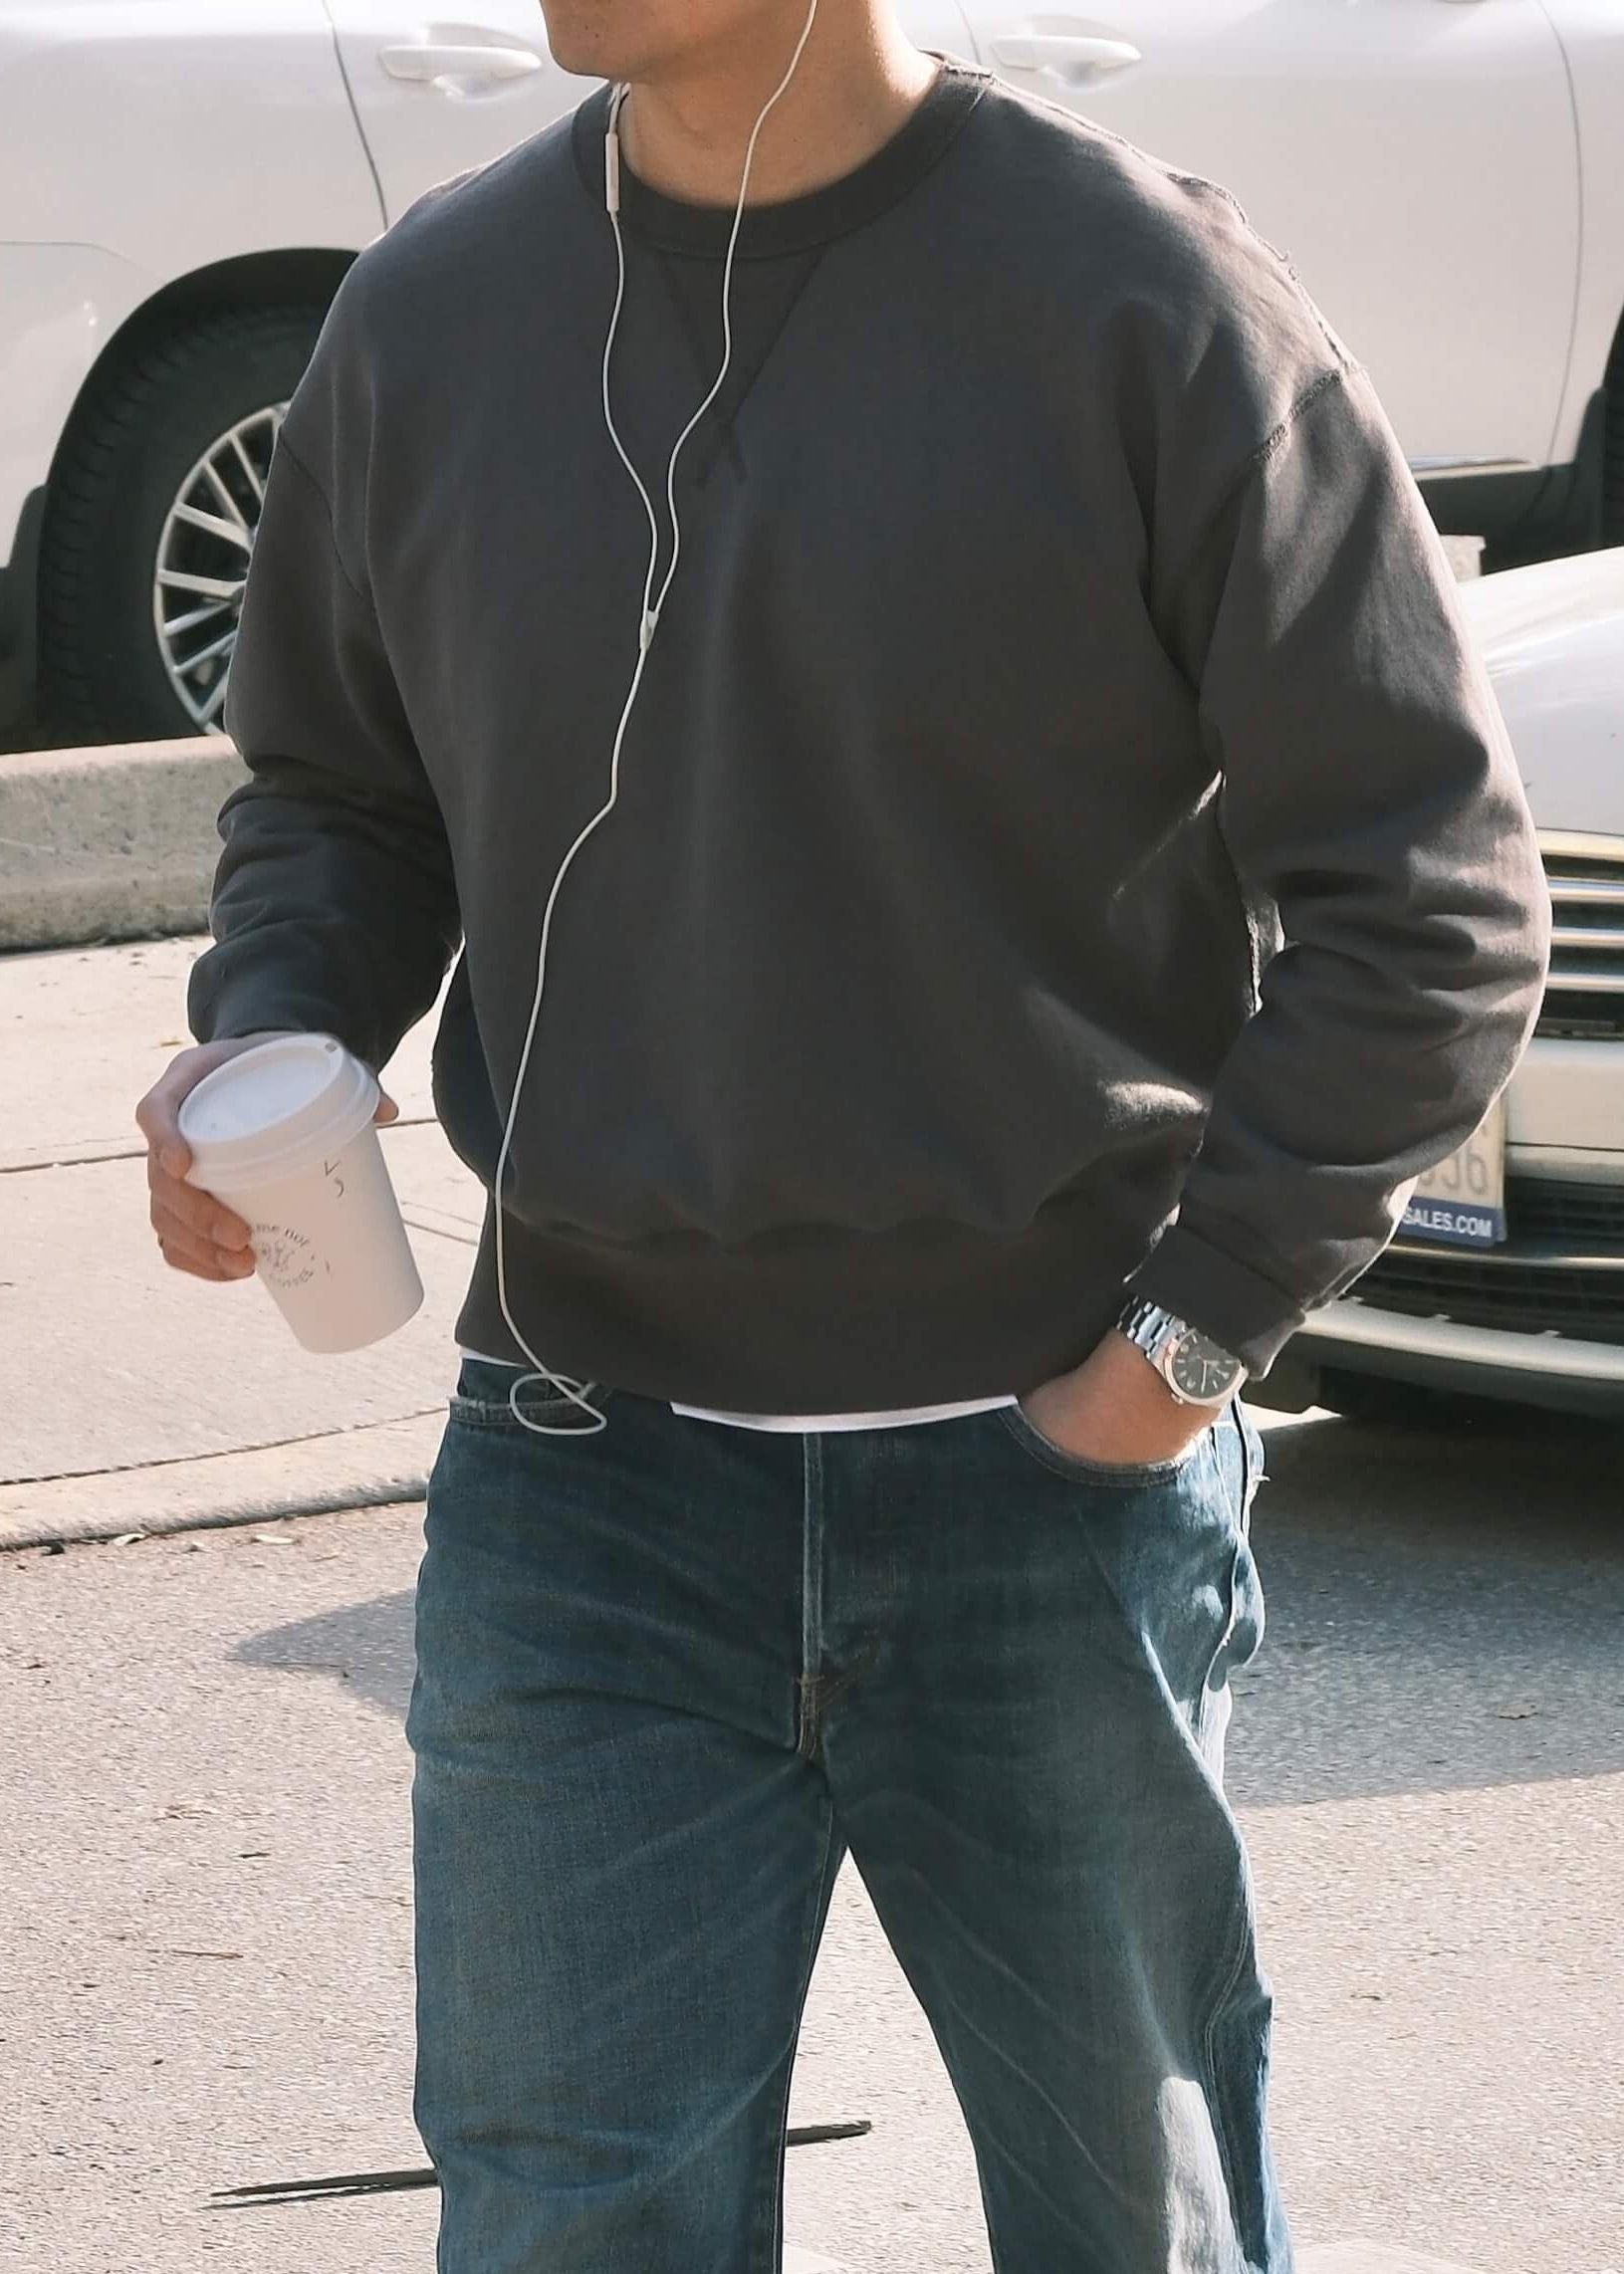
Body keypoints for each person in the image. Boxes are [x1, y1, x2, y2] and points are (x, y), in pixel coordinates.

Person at [133, 1, 1551, 2265]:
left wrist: (1179, 1347)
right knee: (570, 2231)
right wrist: (266, 1036)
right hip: (582, 1480)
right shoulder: (431, 314)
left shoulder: (1147, 302)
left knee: (1133, 2232)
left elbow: (1434, 903)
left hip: (1048, 1483)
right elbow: (337, 793)